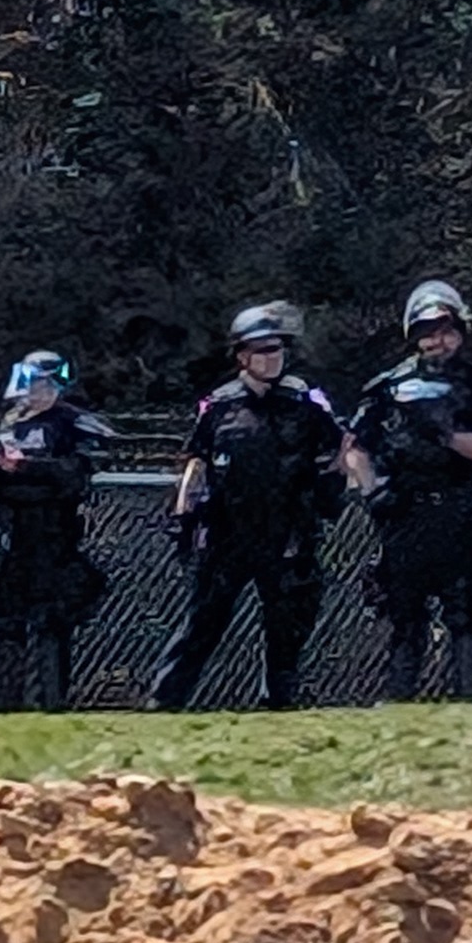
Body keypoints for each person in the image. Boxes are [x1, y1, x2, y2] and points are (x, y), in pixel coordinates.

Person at [150, 302, 350, 711]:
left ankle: (278, 705)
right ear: (242, 356)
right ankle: (163, 703)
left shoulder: (306, 402)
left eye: (278, 349)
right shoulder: (219, 406)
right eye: (262, 350)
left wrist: (328, 491)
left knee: (286, 627)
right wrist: (183, 516)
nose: (272, 357)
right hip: (228, 533)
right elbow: (197, 461)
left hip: (287, 532)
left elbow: (341, 448)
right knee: (202, 622)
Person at [346, 279, 472, 702]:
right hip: (404, 515)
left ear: (461, 332)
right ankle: (399, 706)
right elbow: (354, 449)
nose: (437, 341)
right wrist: (372, 492)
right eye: (428, 333)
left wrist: (446, 435)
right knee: (405, 619)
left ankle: (471, 707)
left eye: (445, 331)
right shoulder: (388, 387)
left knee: (466, 618)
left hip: (463, 513)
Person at [0, 350, 112, 712]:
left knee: (51, 625)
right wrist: (7, 477)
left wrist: (26, 471)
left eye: (47, 385)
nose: (39, 392)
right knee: (7, 624)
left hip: (55, 540)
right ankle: (4, 707)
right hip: (11, 539)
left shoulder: (74, 423)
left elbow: (73, 476)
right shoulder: (10, 423)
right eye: (33, 385)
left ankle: (52, 704)